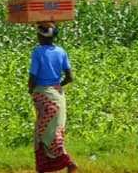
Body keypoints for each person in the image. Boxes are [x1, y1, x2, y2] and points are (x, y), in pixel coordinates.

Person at [28, 22, 78, 173]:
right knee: (55, 131)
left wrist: (31, 90)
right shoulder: (61, 52)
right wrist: (58, 86)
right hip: (58, 96)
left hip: (43, 95)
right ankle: (63, 164)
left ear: (40, 36)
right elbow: (70, 77)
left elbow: (32, 77)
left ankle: (66, 162)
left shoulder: (38, 53)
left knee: (43, 133)